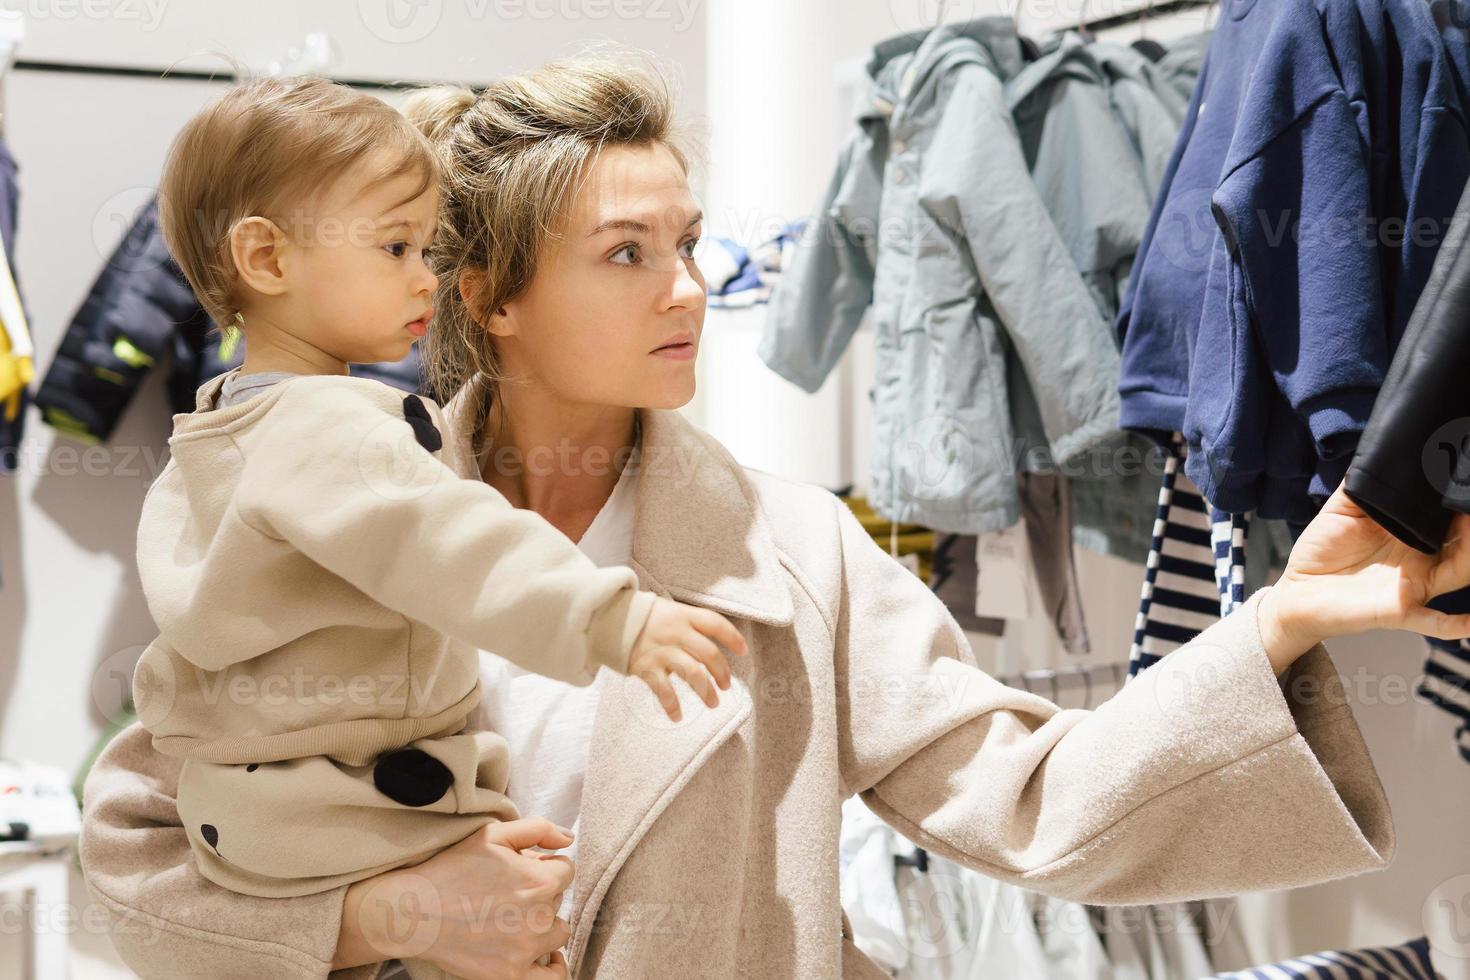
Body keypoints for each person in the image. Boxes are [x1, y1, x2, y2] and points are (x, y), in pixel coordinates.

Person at [80, 53, 1470, 980]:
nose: (685, 291)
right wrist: (381, 914)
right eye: (625, 255)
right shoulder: (323, 521)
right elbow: (133, 862)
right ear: (487, 296)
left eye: (687, 245)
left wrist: (1276, 624)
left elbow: (1035, 799)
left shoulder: (789, 555)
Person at [117, 73, 746, 975]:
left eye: (429, 248)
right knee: (523, 887)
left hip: (254, 817)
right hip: (354, 811)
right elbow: (449, 538)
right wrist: (616, 617)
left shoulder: (222, 427)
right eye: (397, 248)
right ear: (267, 260)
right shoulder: (327, 425)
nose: (426, 278)